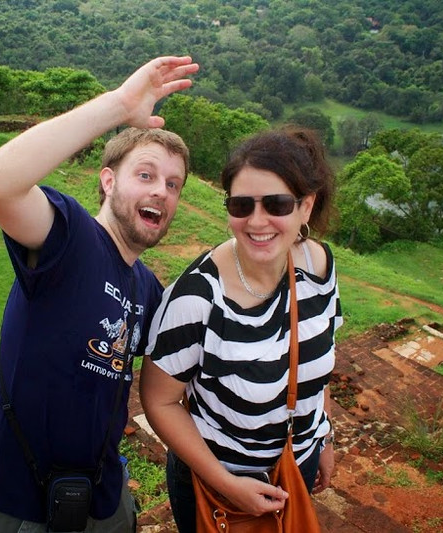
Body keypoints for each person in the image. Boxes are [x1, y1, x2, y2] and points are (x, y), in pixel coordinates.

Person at [0, 56, 199, 533]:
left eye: (173, 184)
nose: (161, 192)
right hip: (20, 498)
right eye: (146, 175)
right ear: (108, 180)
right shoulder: (68, 236)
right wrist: (119, 105)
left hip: (102, 494)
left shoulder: (146, 287)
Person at [140, 126, 341, 532]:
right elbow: (159, 401)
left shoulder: (318, 267)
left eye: (277, 204)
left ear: (306, 207)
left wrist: (323, 437)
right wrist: (227, 484)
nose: (257, 221)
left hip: (295, 464)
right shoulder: (197, 298)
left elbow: (315, 362)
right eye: (241, 205)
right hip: (217, 487)